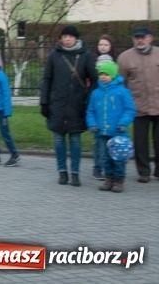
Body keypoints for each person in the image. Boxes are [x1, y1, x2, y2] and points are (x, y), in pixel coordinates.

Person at [40, 25, 97, 186]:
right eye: (64, 36)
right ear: (61, 38)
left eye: (70, 36)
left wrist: (88, 97)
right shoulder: (54, 55)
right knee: (58, 139)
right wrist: (44, 101)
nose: (67, 39)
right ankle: (62, 171)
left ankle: (75, 172)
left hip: (77, 104)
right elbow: (47, 79)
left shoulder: (85, 56)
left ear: (76, 38)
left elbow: (94, 80)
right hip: (57, 103)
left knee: (75, 139)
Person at [116, 26, 159, 183]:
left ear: (150, 38)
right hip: (137, 106)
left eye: (143, 37)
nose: (139, 40)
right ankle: (143, 172)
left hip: (158, 104)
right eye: (136, 37)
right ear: (133, 39)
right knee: (140, 142)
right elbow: (120, 83)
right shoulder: (124, 58)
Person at [86, 60, 136, 193]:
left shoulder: (122, 92)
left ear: (113, 75)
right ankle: (109, 178)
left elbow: (129, 109)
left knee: (118, 158)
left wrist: (123, 122)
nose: (103, 76)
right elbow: (90, 111)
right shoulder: (96, 93)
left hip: (118, 132)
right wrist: (92, 124)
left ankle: (119, 179)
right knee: (104, 157)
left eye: (106, 74)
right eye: (101, 74)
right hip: (101, 132)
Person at [91, 34, 118, 180]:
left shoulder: (114, 63)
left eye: (106, 45)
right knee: (98, 141)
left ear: (111, 47)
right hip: (98, 99)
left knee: (110, 140)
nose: (103, 47)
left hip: (111, 103)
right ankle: (97, 167)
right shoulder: (92, 61)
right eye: (100, 44)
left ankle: (111, 168)